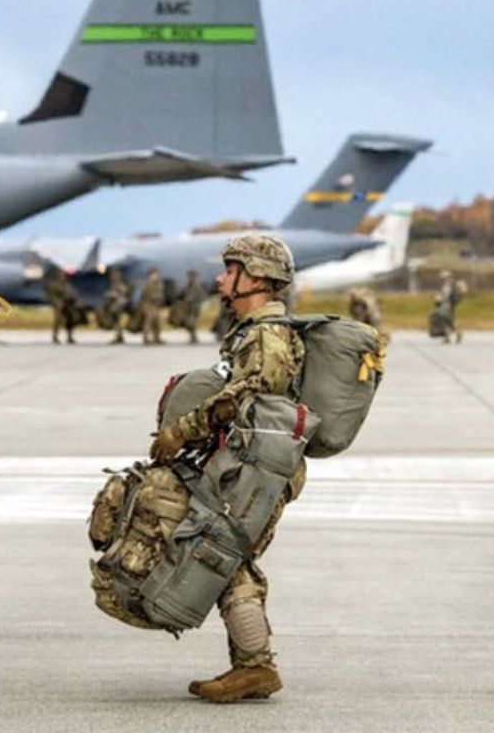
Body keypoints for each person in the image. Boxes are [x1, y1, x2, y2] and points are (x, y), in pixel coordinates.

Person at [149, 233, 306, 702]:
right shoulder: (251, 331)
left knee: (225, 554)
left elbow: (249, 399)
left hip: (259, 472)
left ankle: (256, 667)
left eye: (230, 270)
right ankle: (252, 666)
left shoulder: (267, 336)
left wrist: (181, 431)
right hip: (247, 466)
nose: (220, 280)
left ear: (255, 277)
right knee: (227, 554)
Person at [44, 267, 81, 344]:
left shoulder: (67, 285)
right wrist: (57, 303)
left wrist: (76, 300)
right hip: (59, 305)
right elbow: (51, 296)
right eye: (61, 275)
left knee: (70, 319)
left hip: (68, 305)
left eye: (63, 275)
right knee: (58, 320)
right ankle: (55, 336)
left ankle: (69, 336)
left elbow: (73, 294)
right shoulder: (53, 285)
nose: (62, 277)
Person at [176, 269, 209, 344]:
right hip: (188, 308)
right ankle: (193, 337)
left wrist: (196, 303)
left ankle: (193, 337)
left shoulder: (197, 286)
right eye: (189, 276)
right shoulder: (188, 285)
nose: (190, 277)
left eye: (192, 275)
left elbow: (201, 296)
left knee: (191, 322)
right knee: (189, 322)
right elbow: (182, 294)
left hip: (194, 307)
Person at [432, 270, 464, 344]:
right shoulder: (447, 285)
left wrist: (439, 298)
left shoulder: (449, 286)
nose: (441, 279)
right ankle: (453, 335)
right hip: (446, 306)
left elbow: (447, 296)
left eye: (443, 277)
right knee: (448, 321)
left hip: (446, 306)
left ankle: (450, 336)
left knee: (443, 320)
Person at [101, 269, 131, 344]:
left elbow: (123, 294)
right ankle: (119, 336)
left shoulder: (120, 285)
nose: (111, 277)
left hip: (118, 306)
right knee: (116, 321)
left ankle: (118, 336)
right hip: (115, 305)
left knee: (116, 320)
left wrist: (113, 296)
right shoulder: (113, 285)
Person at [140, 268, 165, 345]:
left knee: (156, 321)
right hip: (148, 304)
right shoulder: (148, 284)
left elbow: (159, 294)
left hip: (155, 305)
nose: (157, 276)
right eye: (155, 274)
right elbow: (147, 294)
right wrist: (156, 296)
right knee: (148, 321)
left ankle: (157, 337)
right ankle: (146, 338)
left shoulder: (158, 284)